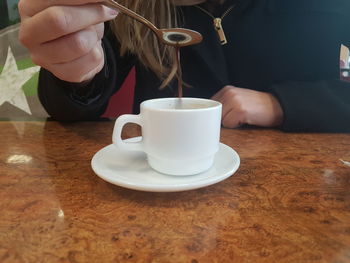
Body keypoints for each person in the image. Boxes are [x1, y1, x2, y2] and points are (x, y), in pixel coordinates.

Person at [19, 0, 350, 132]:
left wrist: (283, 104)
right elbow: (74, 103)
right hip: (161, 190)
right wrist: (73, 68)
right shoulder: (129, 7)